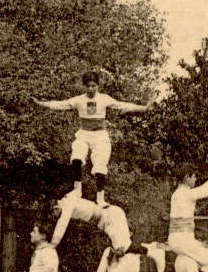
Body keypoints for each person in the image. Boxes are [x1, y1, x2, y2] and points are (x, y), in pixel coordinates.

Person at [33, 71, 150, 206]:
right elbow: (60, 104)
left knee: (100, 164)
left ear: (98, 86)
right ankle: (77, 190)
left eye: (93, 86)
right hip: (84, 134)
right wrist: (41, 104)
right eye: (88, 86)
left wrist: (143, 108)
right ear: (84, 86)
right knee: (77, 153)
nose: (90, 89)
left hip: (100, 136)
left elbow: (122, 105)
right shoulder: (79, 100)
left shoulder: (104, 99)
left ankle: (100, 198)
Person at [48, 190, 165, 272]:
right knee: (121, 248)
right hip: (107, 221)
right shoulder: (68, 198)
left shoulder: (67, 203)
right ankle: (150, 247)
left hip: (111, 217)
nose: (55, 218)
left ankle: (154, 253)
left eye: (53, 215)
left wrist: (53, 244)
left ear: (55, 208)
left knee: (122, 248)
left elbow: (62, 223)